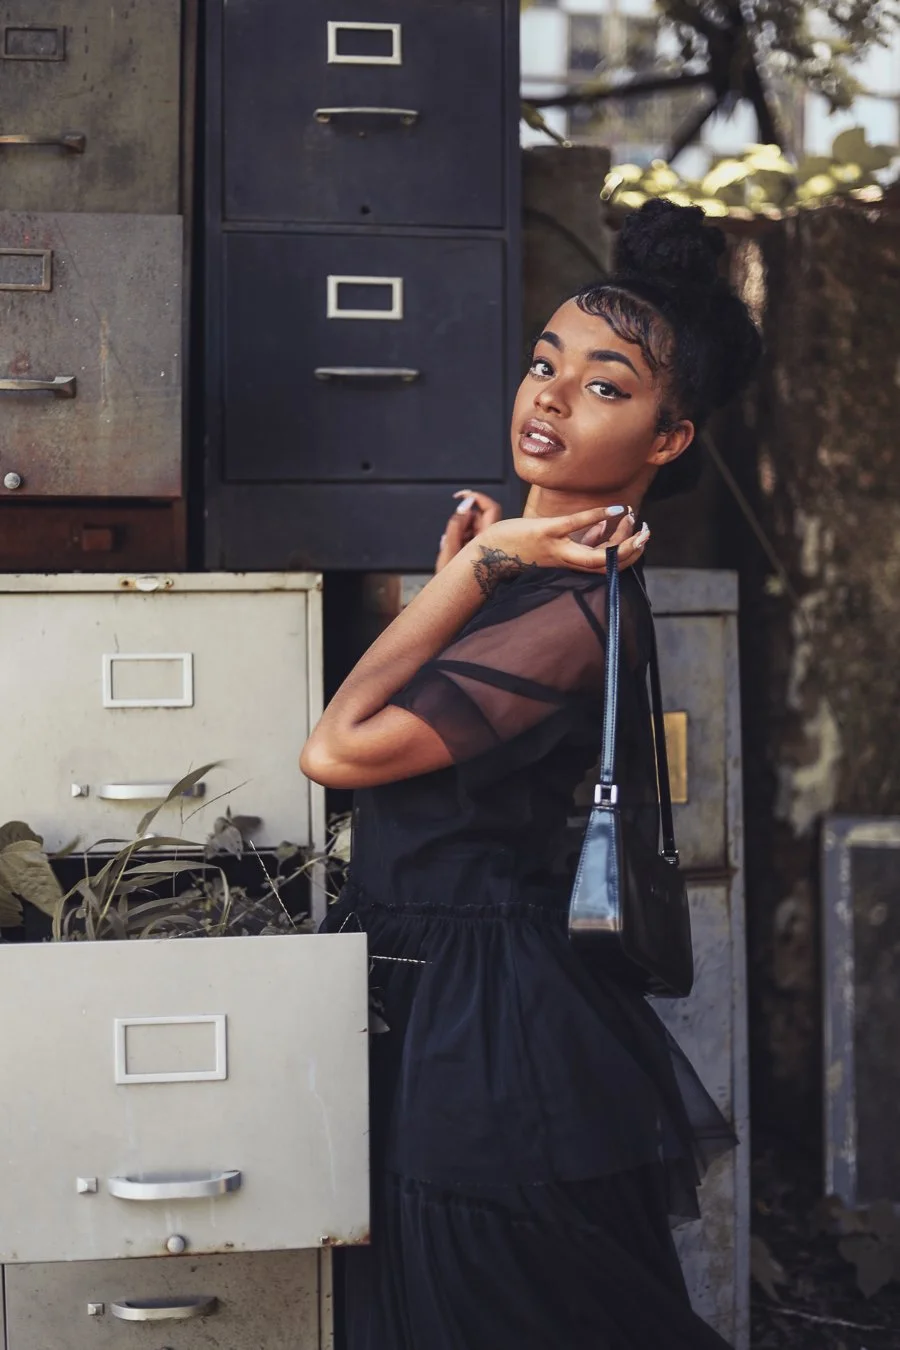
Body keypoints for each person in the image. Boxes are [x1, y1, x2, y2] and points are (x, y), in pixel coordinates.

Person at [301, 198, 762, 1350]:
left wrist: (481, 567)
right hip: (443, 987)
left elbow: (335, 752)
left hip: (487, 1025)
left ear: (669, 440)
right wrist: (470, 573)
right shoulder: (532, 583)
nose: (549, 398)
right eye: (545, 363)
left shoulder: (573, 607)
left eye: (606, 386)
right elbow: (404, 740)